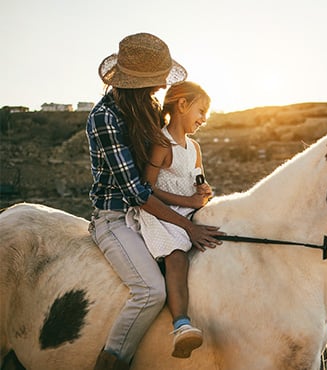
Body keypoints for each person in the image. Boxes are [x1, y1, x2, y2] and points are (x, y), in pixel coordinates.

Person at [87, 33, 223, 370]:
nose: (158, 90)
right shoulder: (104, 119)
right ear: (134, 82)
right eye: (152, 83)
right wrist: (187, 225)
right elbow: (137, 192)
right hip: (116, 216)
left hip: (156, 210)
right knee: (150, 291)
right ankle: (111, 362)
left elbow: (170, 152)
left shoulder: (146, 107)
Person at [125, 80, 214, 359]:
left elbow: (197, 180)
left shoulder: (194, 147)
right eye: (201, 111)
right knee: (176, 255)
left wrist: (204, 190)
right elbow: (147, 189)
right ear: (182, 105)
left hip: (188, 212)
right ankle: (181, 324)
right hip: (160, 215)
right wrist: (188, 202)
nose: (204, 119)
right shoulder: (162, 144)